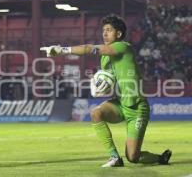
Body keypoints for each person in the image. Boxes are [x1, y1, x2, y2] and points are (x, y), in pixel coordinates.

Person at [40, 14, 172, 167]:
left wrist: (62, 50)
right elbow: (110, 81)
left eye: (109, 30)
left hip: (137, 108)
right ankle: (114, 157)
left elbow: (90, 49)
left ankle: (159, 158)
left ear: (119, 34)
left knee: (133, 157)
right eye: (103, 30)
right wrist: (102, 86)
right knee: (96, 113)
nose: (104, 33)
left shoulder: (123, 47)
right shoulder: (105, 59)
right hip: (120, 104)